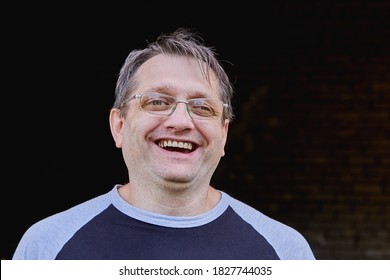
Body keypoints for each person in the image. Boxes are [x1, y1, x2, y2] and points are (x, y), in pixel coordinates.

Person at [12, 28, 315, 260]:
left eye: (202, 107)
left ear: (223, 134)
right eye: (157, 101)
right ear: (119, 125)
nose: (181, 121)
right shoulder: (46, 248)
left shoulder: (284, 253)